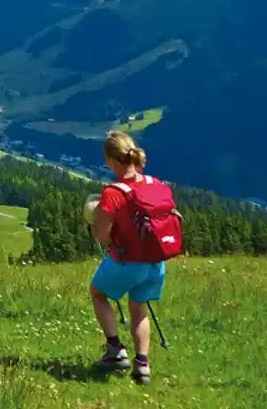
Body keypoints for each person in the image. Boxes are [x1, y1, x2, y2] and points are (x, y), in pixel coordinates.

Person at [89, 131, 169, 385]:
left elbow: (102, 237)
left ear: (112, 161)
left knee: (98, 293)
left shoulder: (114, 192)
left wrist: (94, 221)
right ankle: (142, 365)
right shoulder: (156, 185)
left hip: (127, 261)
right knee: (139, 308)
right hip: (156, 262)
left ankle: (115, 350)